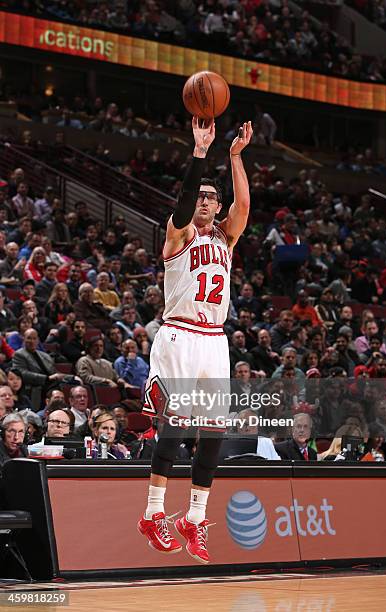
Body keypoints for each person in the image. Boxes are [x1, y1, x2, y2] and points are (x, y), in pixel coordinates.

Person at [139, 117, 253, 564]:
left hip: (213, 340)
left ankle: (194, 517)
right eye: (200, 197)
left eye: (211, 197)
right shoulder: (179, 233)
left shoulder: (226, 237)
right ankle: (153, 513)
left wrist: (236, 157)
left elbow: (243, 205)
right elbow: (184, 199)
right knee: (176, 427)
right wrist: (200, 152)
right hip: (180, 334)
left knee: (213, 435)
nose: (204, 201)